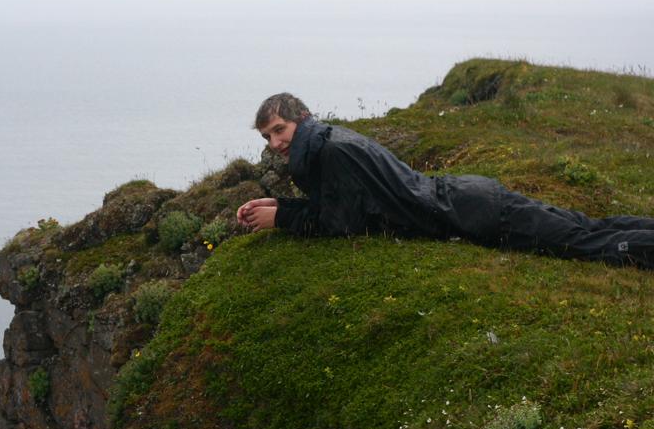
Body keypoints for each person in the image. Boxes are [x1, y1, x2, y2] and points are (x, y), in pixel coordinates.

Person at [236, 92, 654, 269]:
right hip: (470, 199)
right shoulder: (326, 144)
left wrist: (285, 221)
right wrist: (283, 207)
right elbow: (343, 207)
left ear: (302, 119)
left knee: (584, 244)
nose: (274, 143)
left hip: (477, 214)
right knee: (586, 227)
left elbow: (342, 224)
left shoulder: (331, 152)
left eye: (279, 130)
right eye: (267, 136)